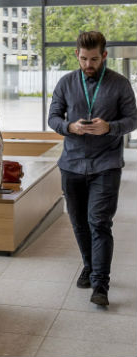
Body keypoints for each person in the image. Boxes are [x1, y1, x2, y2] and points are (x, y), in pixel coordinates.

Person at [48, 31, 137, 306]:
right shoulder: (65, 83)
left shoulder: (120, 84)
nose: (89, 64)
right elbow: (53, 117)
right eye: (84, 58)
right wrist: (69, 127)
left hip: (106, 165)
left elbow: (133, 119)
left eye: (94, 59)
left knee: (99, 222)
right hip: (71, 164)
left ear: (104, 56)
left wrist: (110, 127)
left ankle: (100, 284)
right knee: (79, 223)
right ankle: (89, 265)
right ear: (77, 54)